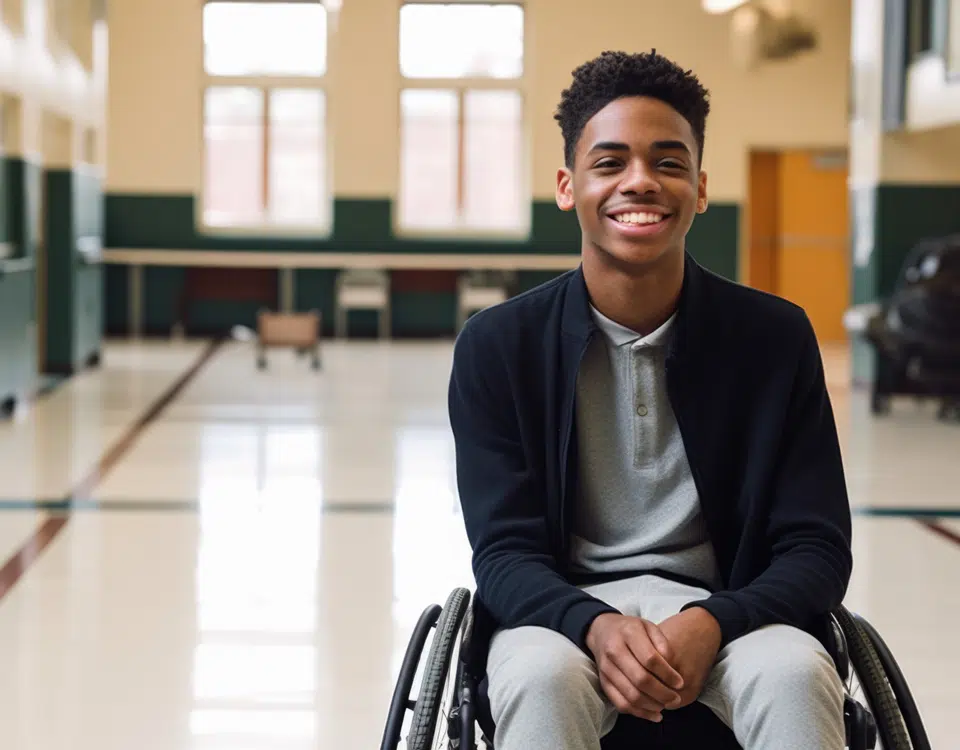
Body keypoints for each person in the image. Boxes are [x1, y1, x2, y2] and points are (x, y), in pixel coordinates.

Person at [447, 49, 853, 750]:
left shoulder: (774, 338)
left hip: (731, 615)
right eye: (610, 163)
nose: (640, 182)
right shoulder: (498, 346)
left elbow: (816, 546)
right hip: (562, 618)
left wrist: (715, 621)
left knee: (794, 675)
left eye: (667, 163)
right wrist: (593, 626)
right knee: (539, 681)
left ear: (699, 188)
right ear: (568, 186)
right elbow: (503, 553)